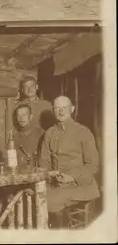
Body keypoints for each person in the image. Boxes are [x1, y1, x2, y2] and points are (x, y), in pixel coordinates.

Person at [40, 96, 100, 228]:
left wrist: (71, 177)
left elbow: (93, 165)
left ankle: (62, 236)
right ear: (53, 111)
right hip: (56, 184)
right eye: (57, 108)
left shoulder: (83, 132)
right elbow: (44, 161)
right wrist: (49, 173)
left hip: (81, 186)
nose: (61, 111)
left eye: (64, 108)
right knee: (31, 195)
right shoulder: (49, 133)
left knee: (49, 201)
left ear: (72, 109)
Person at [12, 103, 44, 170]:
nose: (21, 118)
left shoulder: (41, 134)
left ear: (31, 117)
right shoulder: (14, 137)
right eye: (18, 115)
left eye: (24, 115)